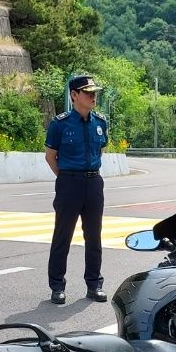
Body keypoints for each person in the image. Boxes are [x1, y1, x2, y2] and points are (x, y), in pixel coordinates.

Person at [46, 74, 110, 305]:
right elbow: (50, 157)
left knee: (94, 236)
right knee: (62, 236)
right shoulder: (60, 124)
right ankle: (57, 286)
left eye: (94, 92)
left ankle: (94, 284)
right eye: (88, 92)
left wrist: (86, 175)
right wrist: (66, 177)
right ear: (74, 95)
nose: (93, 96)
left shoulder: (100, 122)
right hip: (69, 183)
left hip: (93, 183)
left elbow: (99, 151)